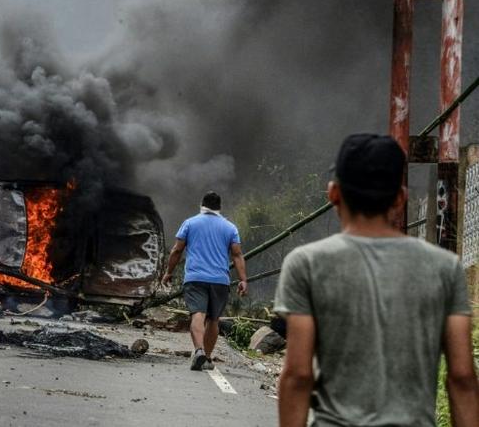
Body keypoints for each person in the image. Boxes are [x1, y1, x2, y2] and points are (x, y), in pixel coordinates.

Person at [275, 134, 478, 427]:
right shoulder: (445, 267)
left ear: (333, 194)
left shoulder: (306, 263)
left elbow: (298, 375)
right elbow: (462, 378)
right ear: (400, 198)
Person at [163, 191, 248, 370]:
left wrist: (168, 272)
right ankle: (207, 358)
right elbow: (237, 254)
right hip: (220, 280)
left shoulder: (190, 223)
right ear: (220, 207)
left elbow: (177, 250)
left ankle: (199, 350)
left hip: (195, 278)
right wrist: (243, 280)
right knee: (214, 320)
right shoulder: (230, 227)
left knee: (197, 314)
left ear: (202, 205)